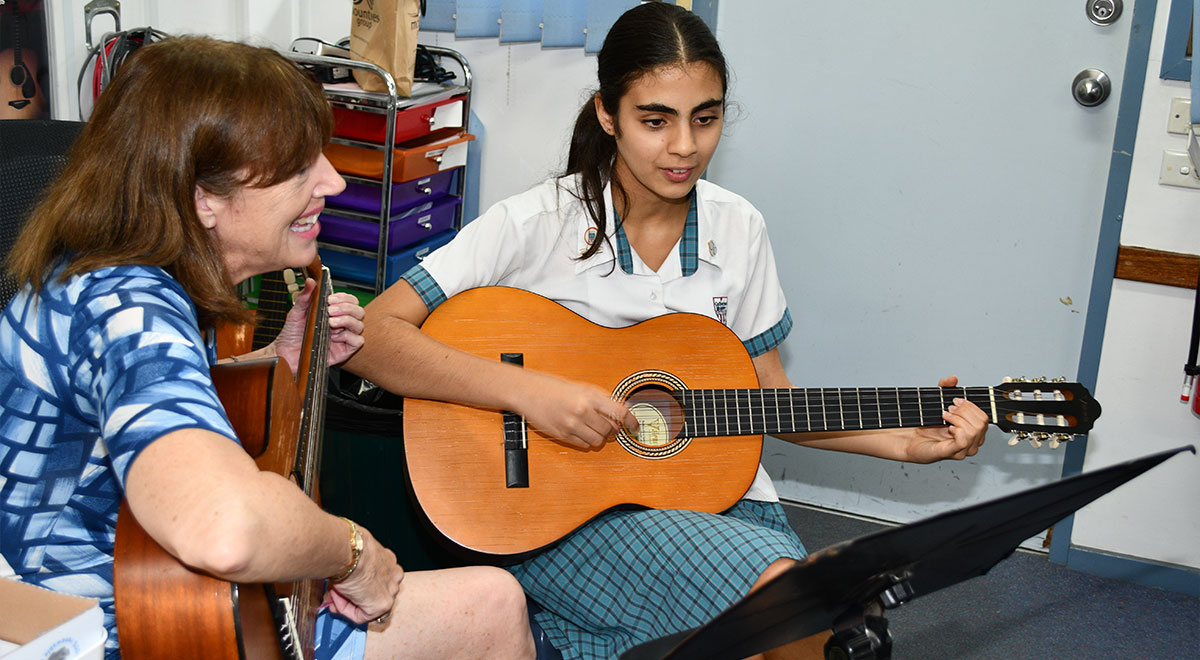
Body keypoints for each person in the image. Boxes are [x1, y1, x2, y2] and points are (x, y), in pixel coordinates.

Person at [345, 3, 990, 659]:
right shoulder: (537, 223)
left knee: (810, 612)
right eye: (656, 120)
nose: (685, 146)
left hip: (721, 501)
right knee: (785, 604)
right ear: (608, 114)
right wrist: (530, 393)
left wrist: (907, 444)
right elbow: (371, 337)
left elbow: (772, 397)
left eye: (705, 118)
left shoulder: (738, 228)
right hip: (561, 519)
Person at [0, 37, 534, 660]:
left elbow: (161, 411)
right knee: (494, 606)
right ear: (204, 198)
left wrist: (282, 356)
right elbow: (222, 529)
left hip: (142, 591)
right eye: (299, 166)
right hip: (96, 626)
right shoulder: (129, 310)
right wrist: (353, 552)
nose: (332, 181)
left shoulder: (129, 280)